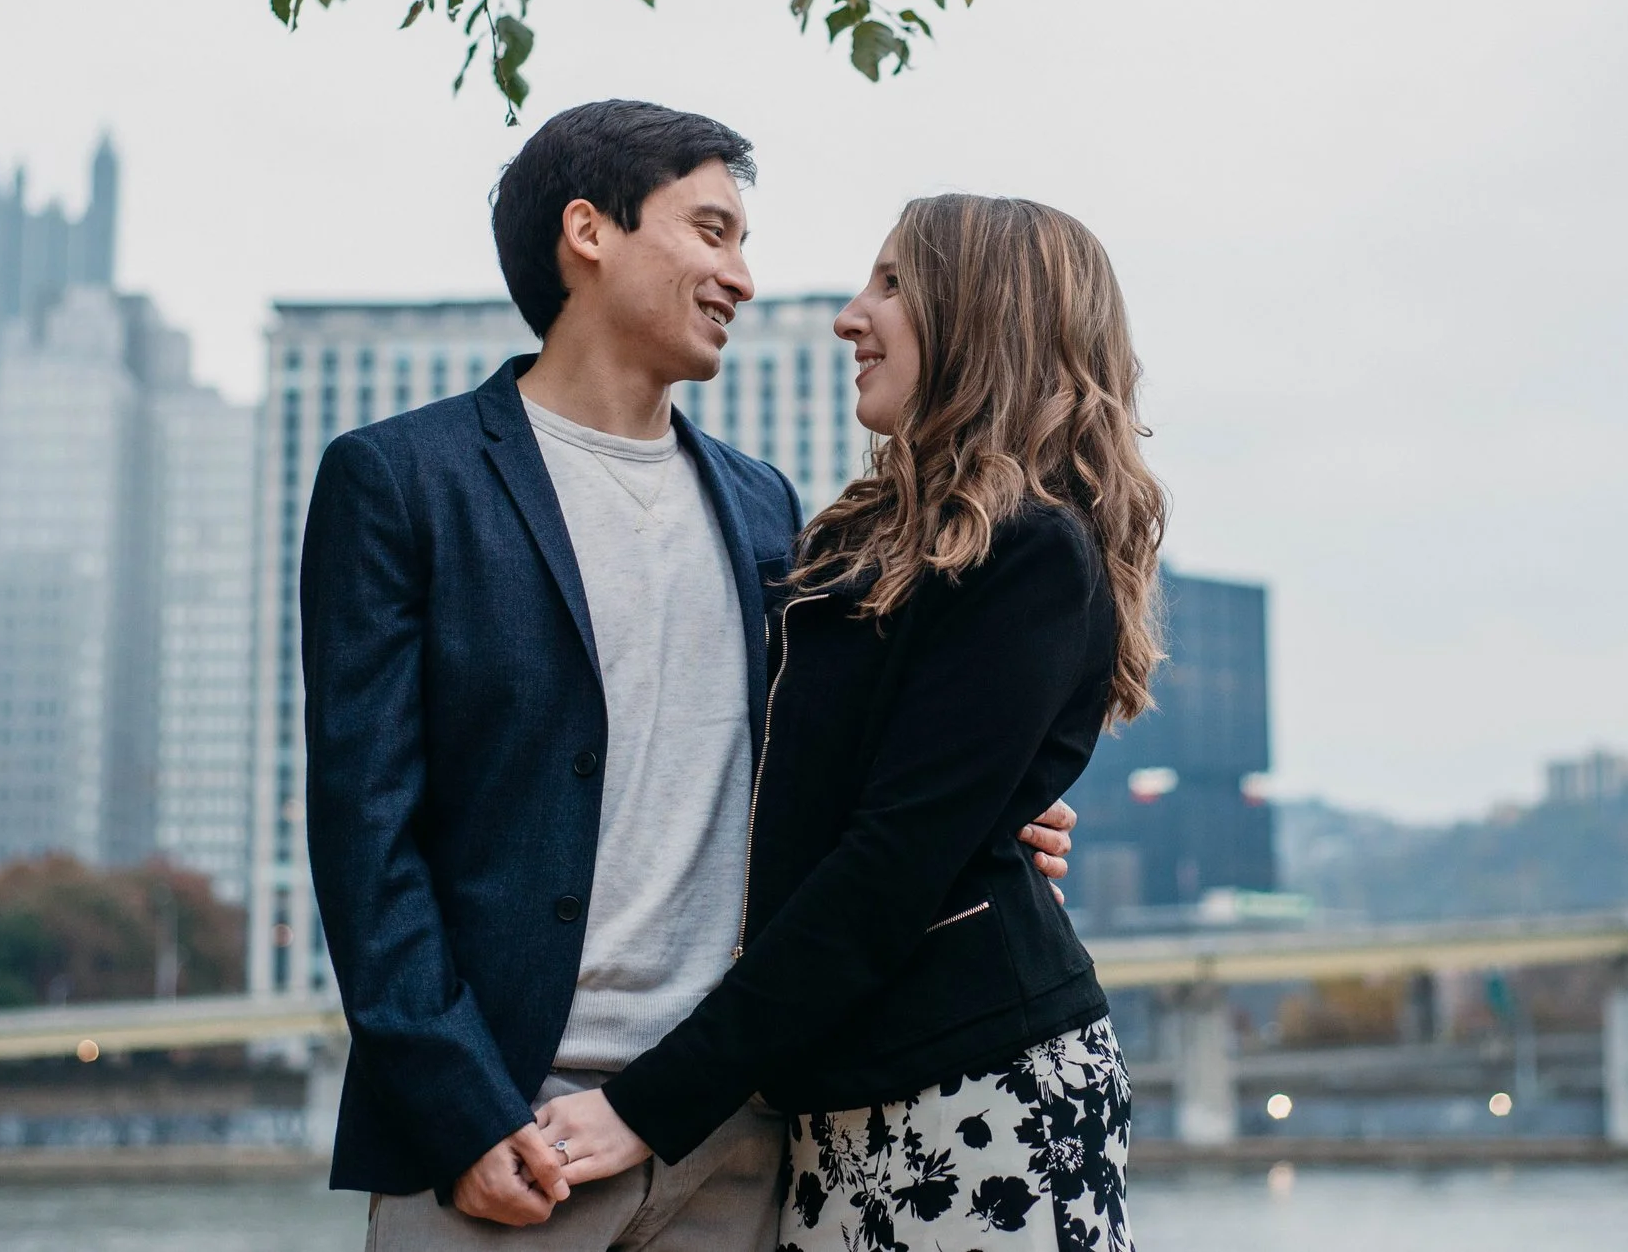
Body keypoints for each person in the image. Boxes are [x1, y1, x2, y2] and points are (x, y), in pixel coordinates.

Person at [299, 103, 1077, 1251]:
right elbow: (366, 833)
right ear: (588, 231)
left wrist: (996, 814)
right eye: (712, 231)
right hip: (504, 1135)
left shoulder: (767, 505)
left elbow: (848, 770)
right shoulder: (399, 480)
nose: (743, 278)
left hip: (734, 1129)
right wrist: (458, 1113)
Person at [537, 193, 1166, 1252]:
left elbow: (888, 865)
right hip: (833, 1100)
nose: (848, 316)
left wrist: (645, 1106)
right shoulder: (859, 539)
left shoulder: (1032, 554)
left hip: (979, 1092)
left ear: (982, 316)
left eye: (892, 284)